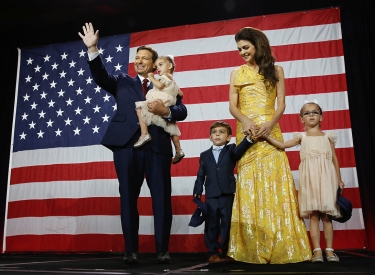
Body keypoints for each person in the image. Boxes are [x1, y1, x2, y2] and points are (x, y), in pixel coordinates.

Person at [78, 22, 188, 264]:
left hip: (158, 146)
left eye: (145, 58)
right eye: (137, 57)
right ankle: (131, 251)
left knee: (161, 198)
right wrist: (93, 50)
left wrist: (166, 112)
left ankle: (162, 250)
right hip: (127, 146)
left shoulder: (167, 84)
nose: (139, 61)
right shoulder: (121, 81)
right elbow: (99, 76)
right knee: (127, 197)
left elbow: (182, 110)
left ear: (154, 63)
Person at [227, 27, 312, 264]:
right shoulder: (236, 73)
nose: (242, 52)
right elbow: (233, 106)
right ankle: (251, 248)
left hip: (270, 131)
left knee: (276, 184)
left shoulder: (276, 70)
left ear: (258, 45)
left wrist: (268, 125)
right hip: (246, 133)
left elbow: (281, 104)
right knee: (249, 184)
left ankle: (282, 246)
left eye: (246, 47)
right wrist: (245, 121)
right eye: (239, 49)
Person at [265, 101, 344, 263]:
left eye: (315, 112)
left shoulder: (328, 137)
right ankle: (316, 251)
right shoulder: (302, 137)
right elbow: (282, 145)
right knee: (314, 216)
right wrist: (266, 136)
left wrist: (339, 179)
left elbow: (334, 159)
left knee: (327, 216)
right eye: (307, 113)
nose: (311, 115)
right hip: (310, 180)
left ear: (321, 116)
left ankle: (329, 250)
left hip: (327, 179)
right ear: (301, 119)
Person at [193, 121, 254, 263]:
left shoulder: (231, 149)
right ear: (210, 137)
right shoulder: (204, 155)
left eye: (221, 132)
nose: (217, 134)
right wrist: (197, 190)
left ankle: (227, 251)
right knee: (211, 223)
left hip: (227, 194)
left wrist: (248, 139)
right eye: (214, 132)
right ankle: (213, 251)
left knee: (227, 223)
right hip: (211, 195)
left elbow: (240, 151)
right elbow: (201, 174)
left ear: (228, 137)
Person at [134, 55, 185, 164]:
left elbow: (160, 85)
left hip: (159, 103)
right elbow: (180, 94)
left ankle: (144, 134)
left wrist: (152, 77)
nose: (157, 69)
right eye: (157, 66)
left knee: (139, 108)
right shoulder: (173, 81)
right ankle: (178, 150)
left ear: (170, 66)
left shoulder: (164, 77)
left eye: (160, 65)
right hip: (167, 102)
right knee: (172, 129)